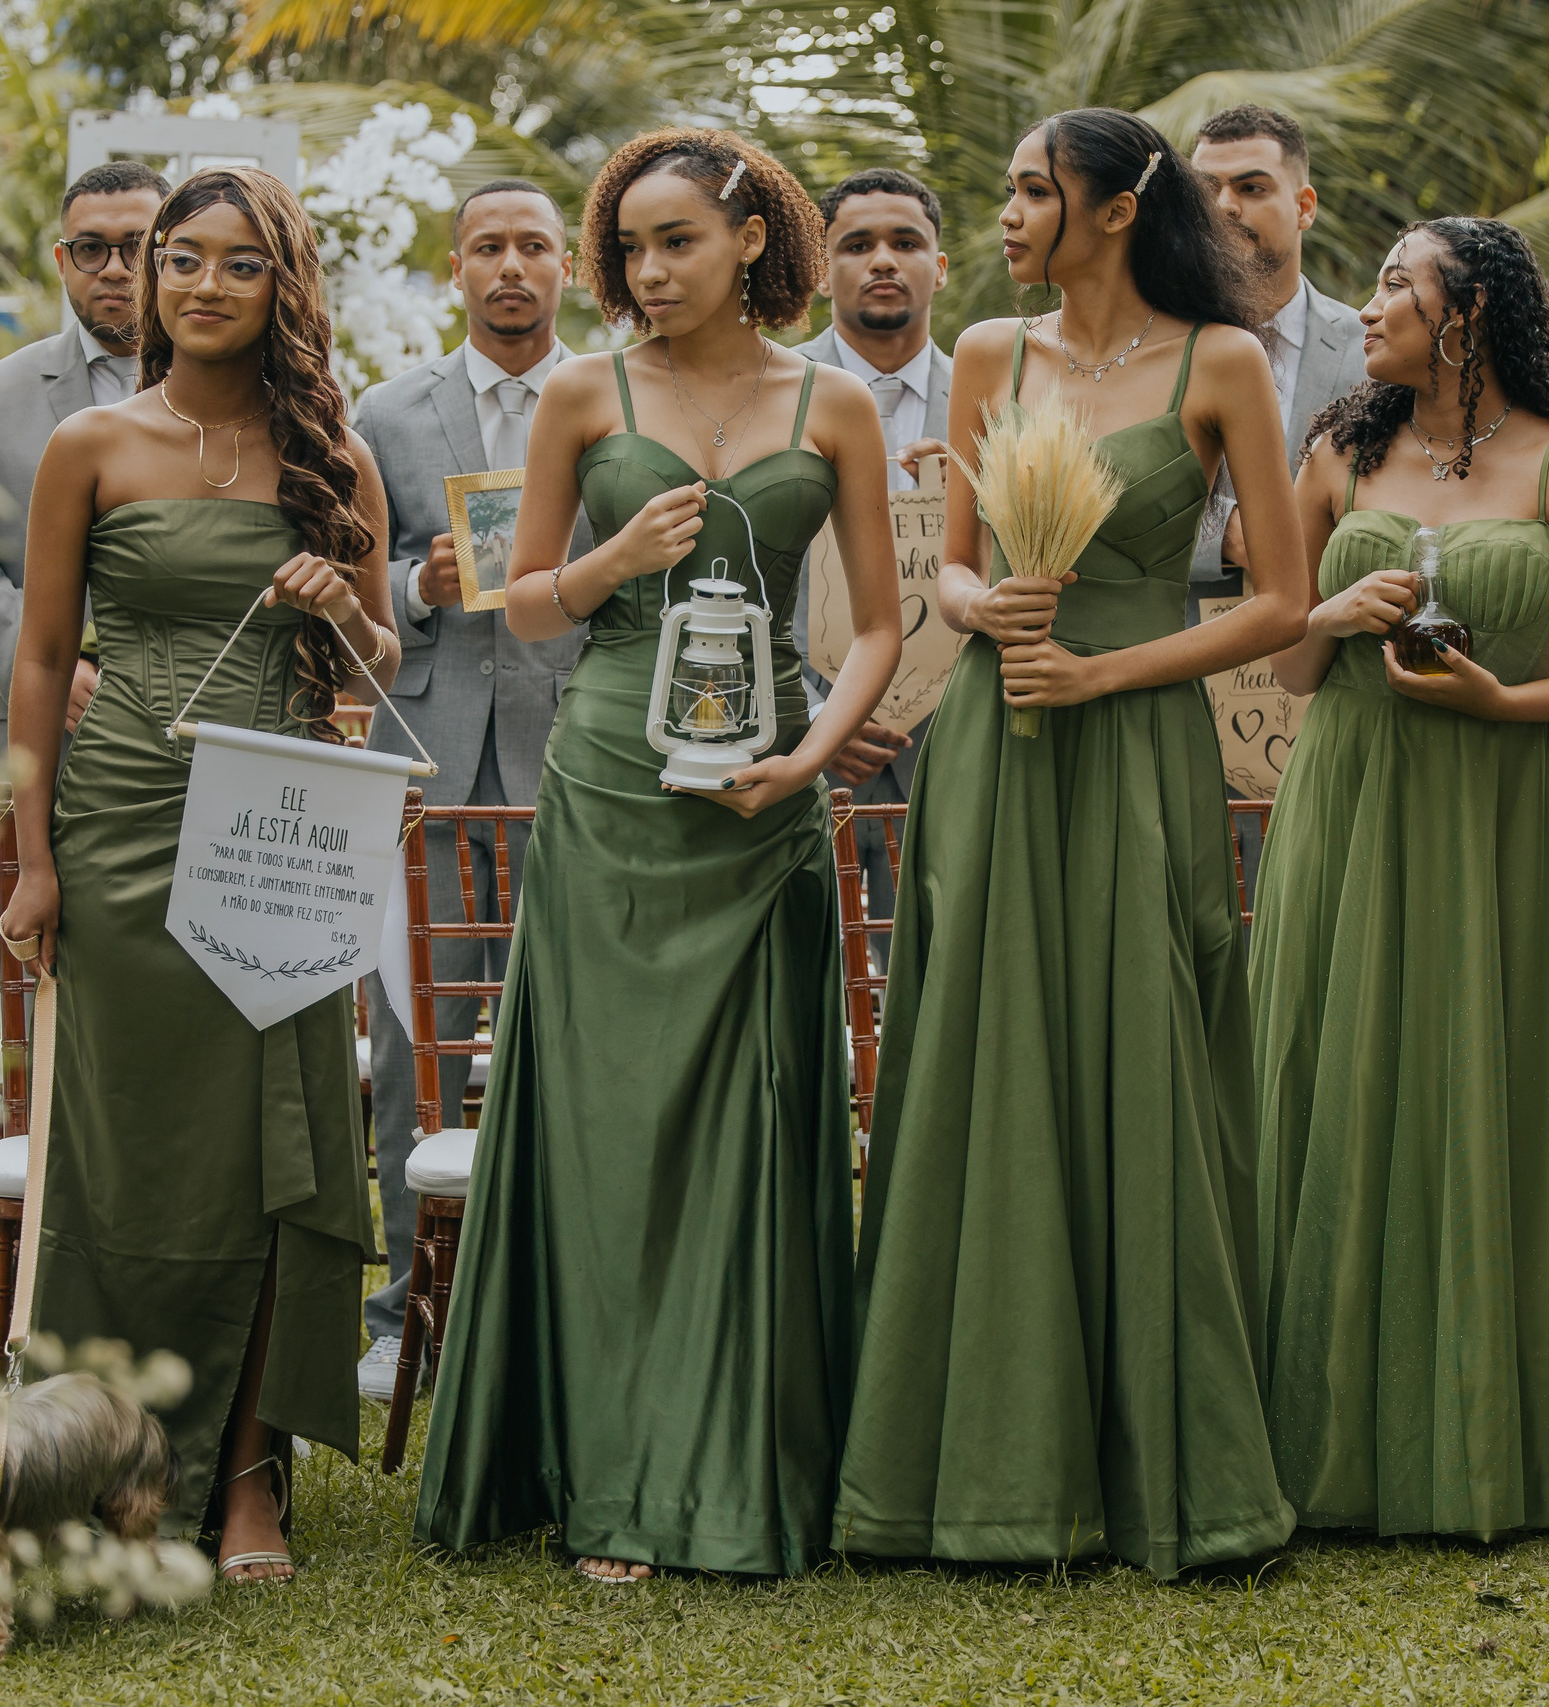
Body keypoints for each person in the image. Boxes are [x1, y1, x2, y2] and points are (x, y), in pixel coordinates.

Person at [412, 130, 902, 1584]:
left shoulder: (839, 407)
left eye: (674, 241)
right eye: (628, 247)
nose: (645, 271)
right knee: (616, 1134)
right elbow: (528, 615)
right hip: (617, 782)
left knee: (752, 1127)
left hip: (765, 799)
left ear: (751, 241)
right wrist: (612, 564)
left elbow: (879, 623)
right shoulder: (581, 392)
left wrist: (814, 760)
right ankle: (615, 1472)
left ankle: (751, 1459)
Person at [835, 107, 1309, 1579]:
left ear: (1117, 205)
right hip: (991, 737)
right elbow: (958, 556)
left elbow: (1279, 600)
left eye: (1034, 190)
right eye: (1010, 188)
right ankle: (966, 1453)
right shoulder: (988, 351)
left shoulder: (1220, 364)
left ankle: (1161, 1447)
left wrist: (1104, 670)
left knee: (1143, 1037)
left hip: (1138, 729)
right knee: (988, 1039)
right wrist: (980, 610)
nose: (1011, 215)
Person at [0, 167, 397, 1584]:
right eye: (181, 260)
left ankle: (248, 1481)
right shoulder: (90, 444)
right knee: (126, 1152)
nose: (204, 287)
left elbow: (383, 666)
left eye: (238, 264)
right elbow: (39, 662)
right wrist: (34, 860)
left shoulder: (333, 459)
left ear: (283, 283)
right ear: (148, 277)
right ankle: (104, 1455)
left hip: (279, 828)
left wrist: (342, 600)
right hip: (118, 821)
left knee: (279, 1138)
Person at [1248, 217, 1549, 1538]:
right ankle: (1322, 1431)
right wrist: (1324, 614)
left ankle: (1527, 1432)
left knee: (1508, 1082)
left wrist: (1508, 700)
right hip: (1354, 801)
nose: (1368, 302)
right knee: (1349, 1079)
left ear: (1471, 309)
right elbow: (1291, 668)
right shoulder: (1336, 452)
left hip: (1510, 805)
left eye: (1395, 282)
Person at [347, 179, 592, 1403]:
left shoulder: (613, 402)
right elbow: (348, 572)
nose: (510, 268)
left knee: (577, 1029)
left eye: (532, 248)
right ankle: (407, 1309)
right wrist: (411, 584)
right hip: (430, 763)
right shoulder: (386, 414)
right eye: (488, 248)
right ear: (455, 269)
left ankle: (559, 1301)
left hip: (571, 762)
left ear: (568, 270)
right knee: (415, 1045)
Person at [0, 161, 170, 782]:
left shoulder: (241, 397)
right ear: (63, 263)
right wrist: (44, 668)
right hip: (39, 738)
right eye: (90, 249)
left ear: (173, 255)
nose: (114, 268)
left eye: (137, 246)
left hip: (195, 738)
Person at [791, 167, 952, 931]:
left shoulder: (1006, 397)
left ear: (940, 267)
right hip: (804, 753)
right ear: (823, 271)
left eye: (906, 241)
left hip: (960, 750)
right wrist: (820, 718)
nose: (883, 260)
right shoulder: (768, 394)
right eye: (857, 244)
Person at [1187, 104, 1371, 594]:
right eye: (1207, 191)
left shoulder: (1373, 349)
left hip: (1329, 647)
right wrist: (1223, 533)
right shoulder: (1150, 343)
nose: (1225, 206)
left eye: (1251, 188)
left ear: (1304, 207)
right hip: (1171, 650)